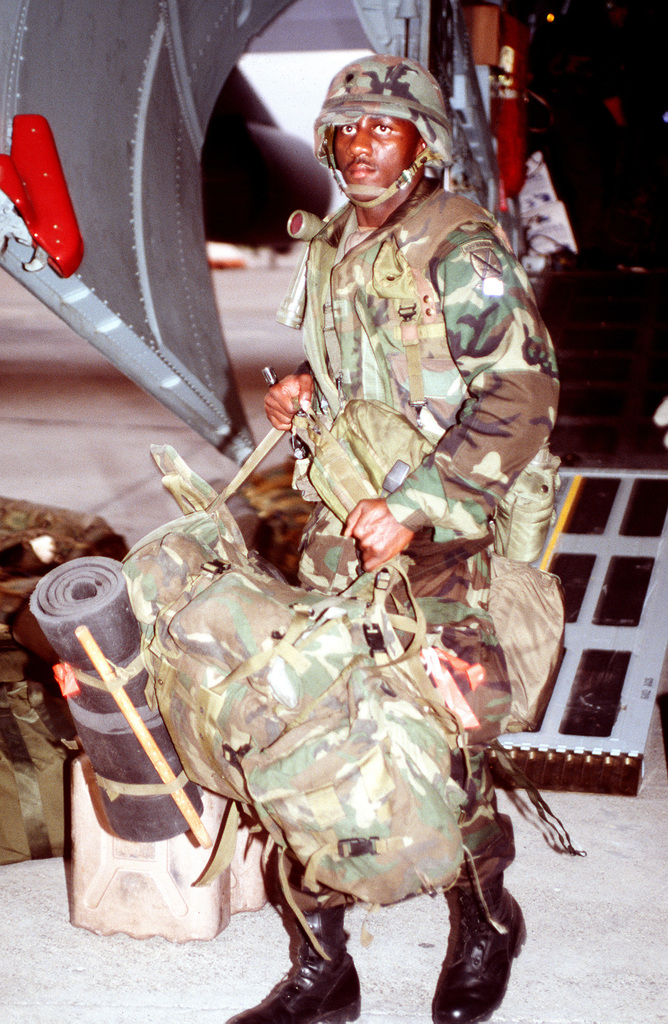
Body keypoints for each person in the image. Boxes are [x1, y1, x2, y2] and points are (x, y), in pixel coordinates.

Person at [229, 54, 559, 1024]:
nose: (365, 144)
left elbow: (522, 390)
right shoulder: (337, 243)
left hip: (445, 522)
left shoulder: (459, 244)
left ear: (422, 144)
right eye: (350, 129)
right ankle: (321, 962)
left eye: (387, 127)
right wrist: (302, 390)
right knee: (307, 715)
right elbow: (365, 360)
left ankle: (483, 917)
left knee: (444, 724)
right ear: (329, 143)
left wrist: (416, 502)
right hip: (349, 517)